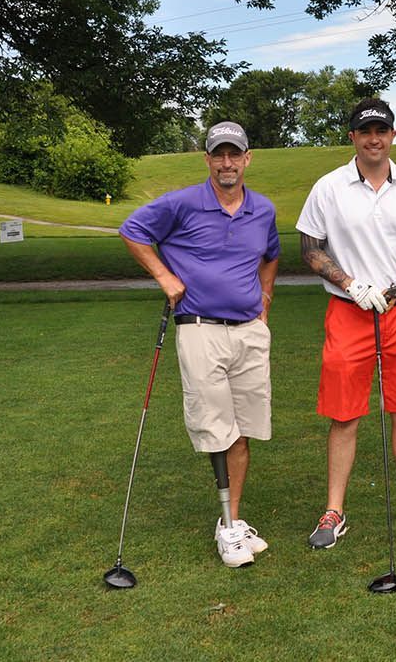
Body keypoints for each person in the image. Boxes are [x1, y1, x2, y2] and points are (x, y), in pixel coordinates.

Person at [119, 121, 279, 568]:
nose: (227, 163)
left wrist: (264, 303)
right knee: (215, 427)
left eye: (235, 154)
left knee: (244, 427)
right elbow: (132, 230)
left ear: (248, 159)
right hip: (200, 328)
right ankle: (229, 528)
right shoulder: (182, 203)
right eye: (218, 154)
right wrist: (165, 276)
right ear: (206, 159)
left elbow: (270, 256)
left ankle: (232, 521)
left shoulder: (262, 210)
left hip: (248, 331)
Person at [296, 97, 396, 549]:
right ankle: (334, 510)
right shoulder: (328, 187)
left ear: (393, 135)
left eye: (381, 131)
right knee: (344, 412)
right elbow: (310, 248)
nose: (374, 139)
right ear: (353, 137)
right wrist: (350, 283)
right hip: (349, 311)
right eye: (365, 132)